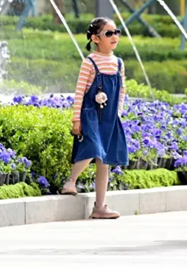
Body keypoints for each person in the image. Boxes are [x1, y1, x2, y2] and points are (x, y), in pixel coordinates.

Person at [60, 17, 129, 220]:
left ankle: (100, 206)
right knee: (93, 148)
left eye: (116, 32)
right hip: (90, 114)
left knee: (104, 161)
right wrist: (76, 119)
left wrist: (118, 113)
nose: (114, 36)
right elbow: (80, 92)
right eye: (109, 33)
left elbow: (122, 89)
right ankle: (71, 181)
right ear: (95, 38)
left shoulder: (118, 63)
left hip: (110, 117)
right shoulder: (89, 62)